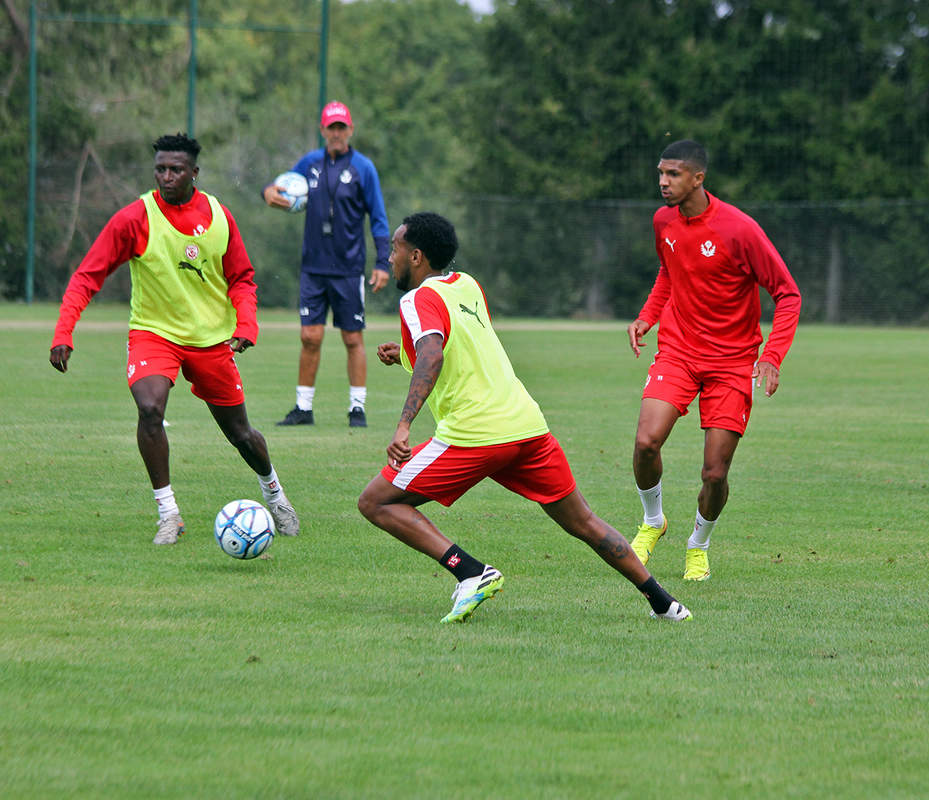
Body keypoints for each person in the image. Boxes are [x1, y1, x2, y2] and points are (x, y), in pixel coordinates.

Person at [357, 212, 691, 623]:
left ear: (417, 256)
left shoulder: (414, 299)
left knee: (375, 502)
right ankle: (665, 603)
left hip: (476, 434)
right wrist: (406, 357)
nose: (389, 257)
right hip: (527, 426)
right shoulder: (467, 285)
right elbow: (462, 351)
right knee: (583, 520)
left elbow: (434, 353)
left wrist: (404, 423)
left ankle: (471, 573)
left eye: (395, 249)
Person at [49, 133, 299, 545]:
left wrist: (246, 326)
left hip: (211, 341)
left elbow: (242, 278)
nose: (166, 176)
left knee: (241, 434)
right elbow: (86, 276)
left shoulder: (219, 216)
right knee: (150, 409)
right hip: (154, 334)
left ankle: (275, 493)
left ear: (194, 173)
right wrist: (64, 331)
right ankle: (169, 513)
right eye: (160, 169)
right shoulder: (135, 218)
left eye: (175, 169)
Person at [627, 139, 802, 582]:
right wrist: (649, 316)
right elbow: (670, 269)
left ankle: (698, 544)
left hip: (731, 362)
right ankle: (653, 521)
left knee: (714, 472)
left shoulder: (739, 229)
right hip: (679, 351)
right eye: (661, 173)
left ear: (698, 178)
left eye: (674, 175)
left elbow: (787, 293)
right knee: (647, 441)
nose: (663, 183)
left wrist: (773, 356)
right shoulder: (662, 221)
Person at [264, 100, 391, 428]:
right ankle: (303, 409)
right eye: (331, 127)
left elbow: (377, 217)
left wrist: (382, 262)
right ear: (322, 130)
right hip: (313, 268)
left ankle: (357, 408)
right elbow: (280, 188)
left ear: (350, 130)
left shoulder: (364, 168)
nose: (336, 133)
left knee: (352, 338)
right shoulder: (309, 163)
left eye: (341, 127)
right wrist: (269, 193)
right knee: (310, 336)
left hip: (349, 269)